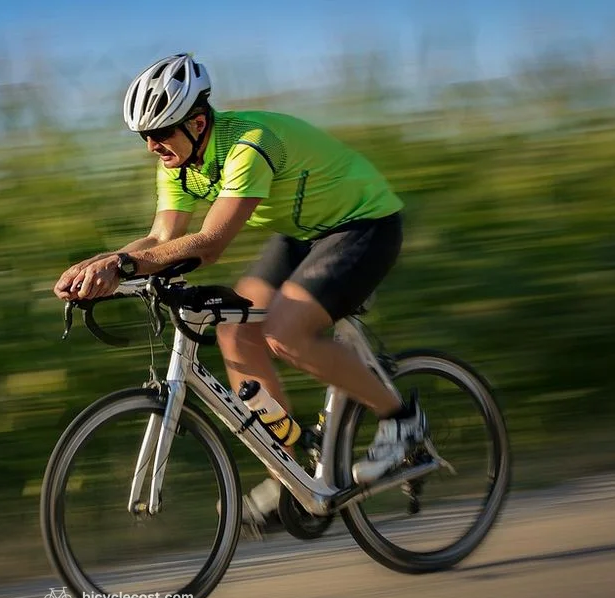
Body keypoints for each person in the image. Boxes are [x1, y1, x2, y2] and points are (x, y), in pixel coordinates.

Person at [52, 53, 425, 532]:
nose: (152, 146)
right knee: (235, 328)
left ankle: (401, 419)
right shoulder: (178, 162)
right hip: (304, 232)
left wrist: (123, 265)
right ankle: (288, 475)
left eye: (161, 133)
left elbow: (210, 244)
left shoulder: (249, 143)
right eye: (144, 137)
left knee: (285, 332)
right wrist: (99, 266)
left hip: (364, 224)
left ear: (199, 122)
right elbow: (162, 240)